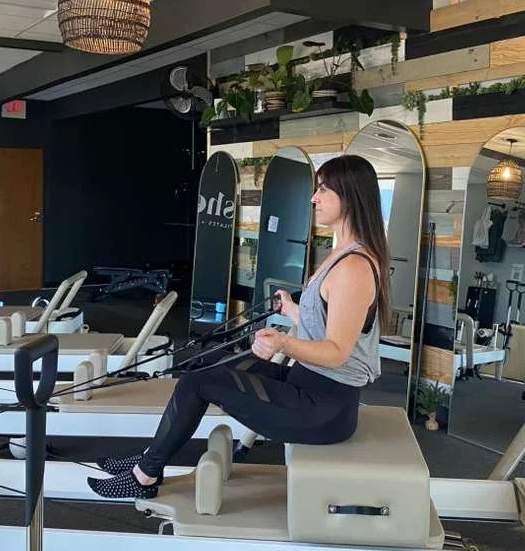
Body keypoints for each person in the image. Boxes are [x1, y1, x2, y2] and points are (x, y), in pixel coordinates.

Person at [87, 154, 391, 499]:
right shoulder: (343, 253)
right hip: (304, 382)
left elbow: (337, 352)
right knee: (205, 368)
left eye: (322, 190)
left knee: (199, 383)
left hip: (322, 407)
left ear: (348, 195)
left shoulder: (354, 267)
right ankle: (147, 460)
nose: (313, 198)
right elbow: (329, 323)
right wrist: (293, 310)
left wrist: (282, 344)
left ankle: (144, 476)